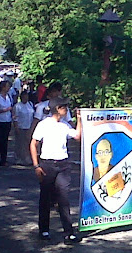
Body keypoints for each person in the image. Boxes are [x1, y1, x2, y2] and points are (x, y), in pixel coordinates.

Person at [30, 96, 82, 245]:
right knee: (45, 198)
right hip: (47, 164)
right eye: (64, 107)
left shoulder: (64, 125)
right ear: (58, 109)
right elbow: (33, 143)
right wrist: (36, 165)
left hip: (63, 164)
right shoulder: (44, 124)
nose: (66, 110)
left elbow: (77, 136)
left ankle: (68, 233)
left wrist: (79, 120)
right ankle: (44, 230)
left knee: (63, 198)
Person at [13, 91, 34, 165]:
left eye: (27, 96)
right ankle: (18, 158)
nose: (26, 98)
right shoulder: (17, 106)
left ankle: (27, 158)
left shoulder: (30, 104)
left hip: (29, 126)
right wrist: (16, 127)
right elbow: (15, 117)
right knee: (20, 143)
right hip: (21, 127)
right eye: (24, 97)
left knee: (28, 143)